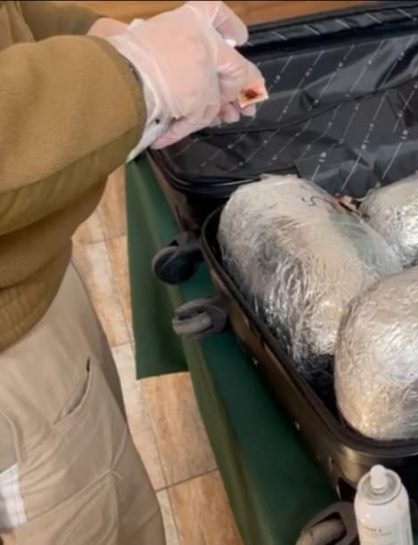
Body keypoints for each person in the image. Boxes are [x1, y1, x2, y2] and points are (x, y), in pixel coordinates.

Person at [0, 1, 264, 543]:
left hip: (33, 275)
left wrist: (97, 36)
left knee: (115, 491)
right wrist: (133, 75)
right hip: (12, 374)